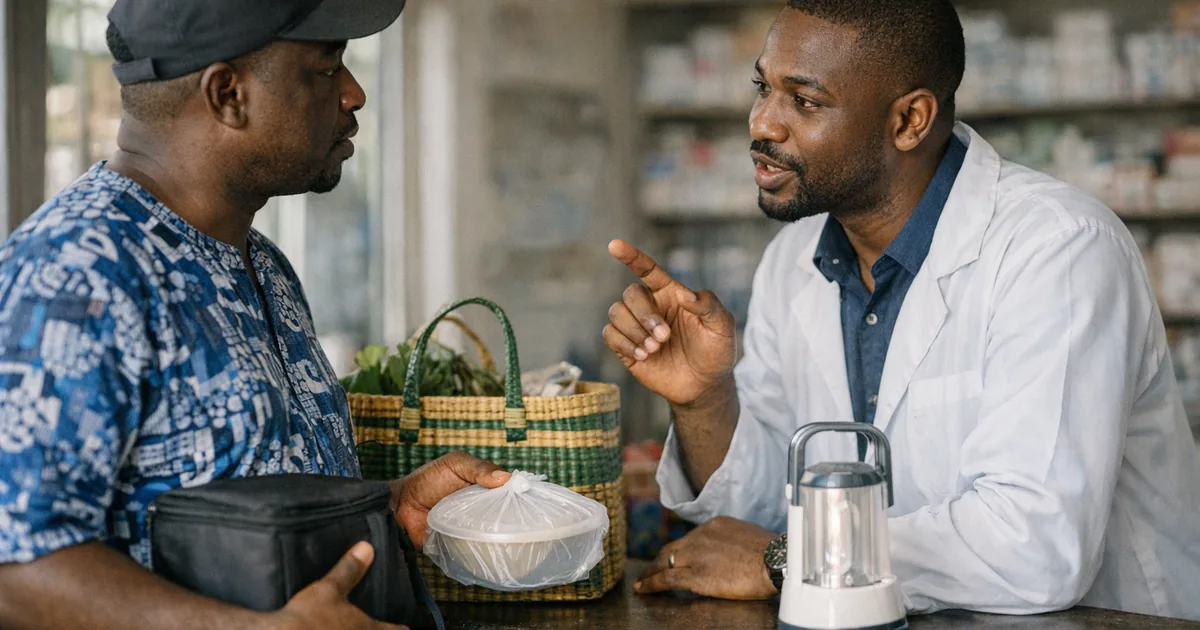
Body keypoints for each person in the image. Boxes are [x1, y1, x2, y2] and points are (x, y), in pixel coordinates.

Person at [604, 0, 1200, 620]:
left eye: (803, 101)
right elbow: (762, 510)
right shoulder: (794, 259)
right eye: (763, 87)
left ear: (910, 119)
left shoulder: (1058, 249)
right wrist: (703, 399)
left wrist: (786, 559)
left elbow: (1035, 544)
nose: (763, 124)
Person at [0, 2, 510, 629]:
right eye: (326, 68)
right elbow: (15, 568)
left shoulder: (260, 262)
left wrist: (390, 502)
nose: (355, 94)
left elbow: (251, 497)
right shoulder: (78, 273)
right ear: (228, 93)